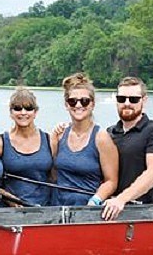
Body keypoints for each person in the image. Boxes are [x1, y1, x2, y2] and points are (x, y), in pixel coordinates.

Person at [102, 77, 153, 220]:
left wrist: (121, 199)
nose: (127, 103)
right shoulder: (108, 133)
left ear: (144, 100)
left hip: (147, 214)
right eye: (122, 99)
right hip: (110, 212)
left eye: (133, 99)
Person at [52, 73, 118, 206]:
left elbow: (111, 181)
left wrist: (96, 199)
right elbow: (52, 173)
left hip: (86, 208)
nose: (78, 105)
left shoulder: (101, 138)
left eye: (84, 101)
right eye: (72, 101)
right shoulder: (59, 134)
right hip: (56, 207)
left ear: (92, 104)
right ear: (66, 105)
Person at [0, 88, 54, 207]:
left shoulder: (50, 140)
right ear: (11, 113)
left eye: (29, 108)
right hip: (9, 211)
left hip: (44, 209)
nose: (23, 112)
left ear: (35, 112)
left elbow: (54, 177)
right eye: (17, 108)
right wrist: (11, 200)